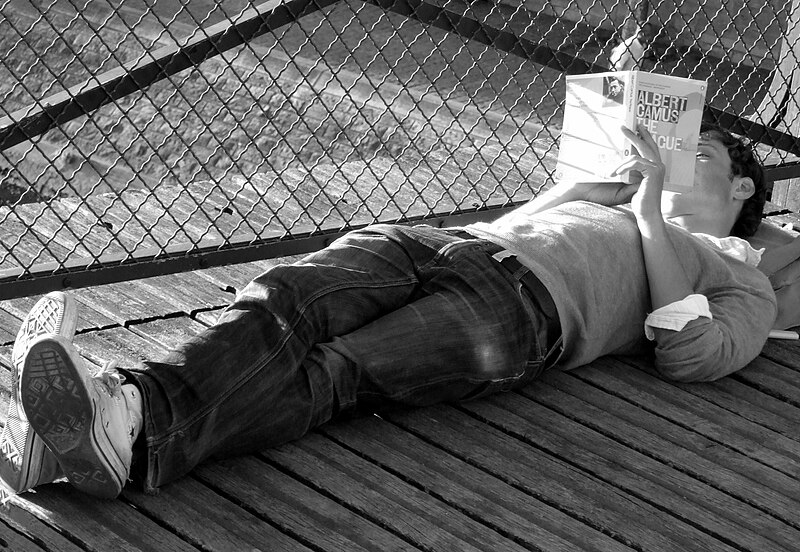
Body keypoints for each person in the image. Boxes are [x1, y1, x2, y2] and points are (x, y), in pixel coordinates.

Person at [1, 122, 776, 502]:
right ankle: (105, 425)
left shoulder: (739, 269)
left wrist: (647, 209)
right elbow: (510, 229)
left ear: (742, 189)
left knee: (332, 373)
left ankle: (123, 429)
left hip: (520, 314)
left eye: (696, 155)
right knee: (284, 297)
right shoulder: (615, 197)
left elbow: (694, 354)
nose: (670, 161)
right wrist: (576, 193)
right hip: (448, 244)